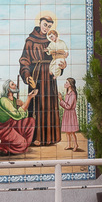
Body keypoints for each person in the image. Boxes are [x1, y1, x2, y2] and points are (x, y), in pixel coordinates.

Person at [19, 13, 62, 146]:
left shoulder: (51, 41)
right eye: (45, 25)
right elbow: (24, 60)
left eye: (49, 26)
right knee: (37, 106)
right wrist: (27, 76)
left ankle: (50, 137)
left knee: (49, 106)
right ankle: (36, 137)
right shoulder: (30, 41)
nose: (46, 28)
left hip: (49, 78)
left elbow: (57, 59)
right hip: (36, 76)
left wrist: (62, 65)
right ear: (40, 23)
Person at [0, 79, 37, 155]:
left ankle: (20, 145)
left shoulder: (14, 100)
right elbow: (17, 115)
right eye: (12, 84)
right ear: (8, 89)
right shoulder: (3, 101)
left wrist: (22, 104)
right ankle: (7, 146)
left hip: (13, 125)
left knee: (31, 121)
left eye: (14, 84)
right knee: (23, 144)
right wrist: (28, 99)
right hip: (5, 129)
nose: (15, 85)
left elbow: (24, 115)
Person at [60, 77, 81, 151]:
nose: (65, 84)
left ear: (70, 85)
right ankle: (69, 144)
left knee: (72, 132)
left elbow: (68, 106)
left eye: (66, 82)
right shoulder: (68, 93)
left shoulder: (73, 94)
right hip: (67, 114)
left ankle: (75, 145)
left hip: (70, 114)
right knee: (67, 131)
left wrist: (61, 100)